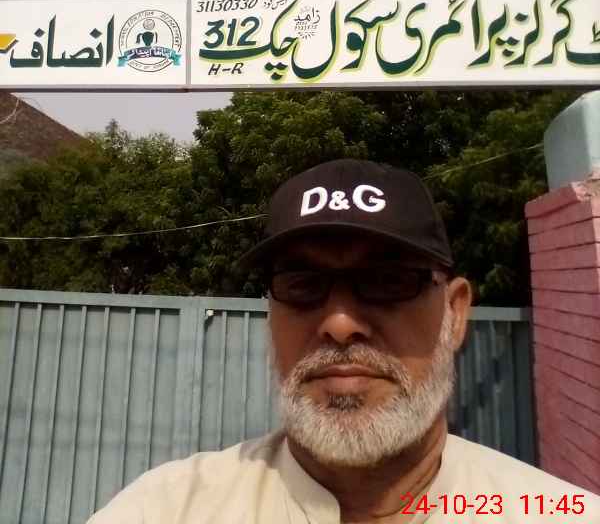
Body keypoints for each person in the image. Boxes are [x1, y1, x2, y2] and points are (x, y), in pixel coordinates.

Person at [88, 158, 600, 523]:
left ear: (455, 312)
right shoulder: (166, 508)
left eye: (388, 282)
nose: (338, 323)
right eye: (301, 285)